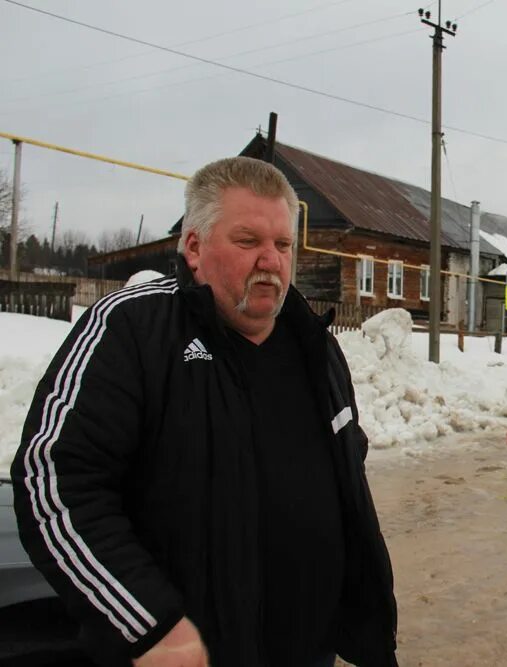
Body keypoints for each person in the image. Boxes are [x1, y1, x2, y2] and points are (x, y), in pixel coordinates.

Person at [12, 157, 397, 667]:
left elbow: (345, 483)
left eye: (282, 245)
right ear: (194, 248)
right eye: (247, 242)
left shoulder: (315, 347)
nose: (271, 260)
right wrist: (149, 624)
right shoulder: (135, 330)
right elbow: (54, 481)